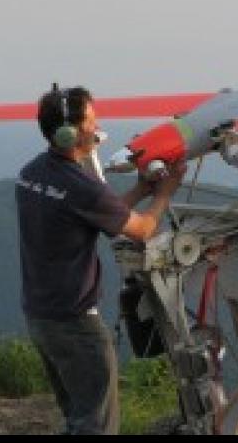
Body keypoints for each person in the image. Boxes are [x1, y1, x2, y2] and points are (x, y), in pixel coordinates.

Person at [16, 84, 185, 435]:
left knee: (77, 417)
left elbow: (94, 211)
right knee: (96, 425)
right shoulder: (80, 186)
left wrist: (141, 189)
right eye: (92, 120)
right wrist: (166, 193)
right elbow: (140, 230)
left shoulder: (31, 173)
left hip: (41, 316)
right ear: (69, 133)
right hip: (76, 323)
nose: (98, 126)